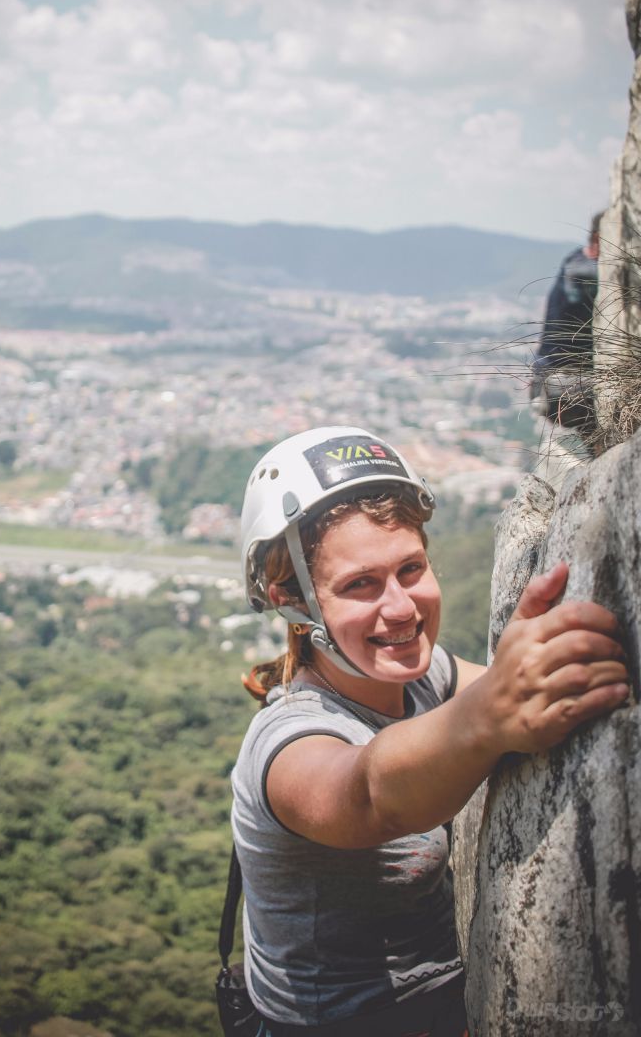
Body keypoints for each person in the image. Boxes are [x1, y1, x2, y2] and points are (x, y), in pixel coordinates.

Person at [231, 425, 627, 1037]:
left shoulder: (423, 677)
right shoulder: (286, 744)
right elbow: (369, 794)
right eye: (360, 584)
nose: (401, 607)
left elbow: (512, 688)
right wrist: (486, 713)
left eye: (411, 568)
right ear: (294, 602)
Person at [531, 212, 603, 486]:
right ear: (598, 239)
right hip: (565, 384)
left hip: (554, 382)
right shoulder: (583, 270)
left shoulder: (574, 261)